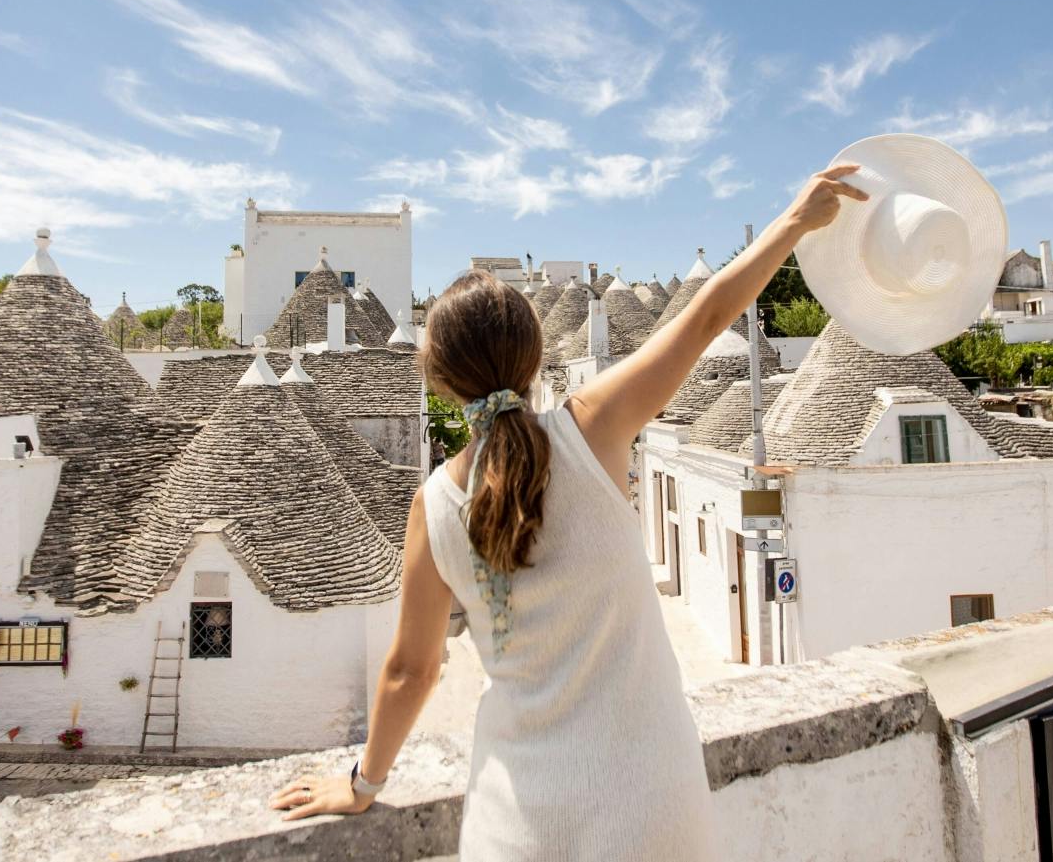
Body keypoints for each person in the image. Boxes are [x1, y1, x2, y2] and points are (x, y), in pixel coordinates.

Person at [270, 164, 868, 859]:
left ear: (437, 379)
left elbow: (412, 670)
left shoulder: (432, 505)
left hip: (517, 823)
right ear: (534, 356)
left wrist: (362, 781)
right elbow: (706, 315)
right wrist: (793, 221)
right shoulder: (593, 429)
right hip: (652, 806)